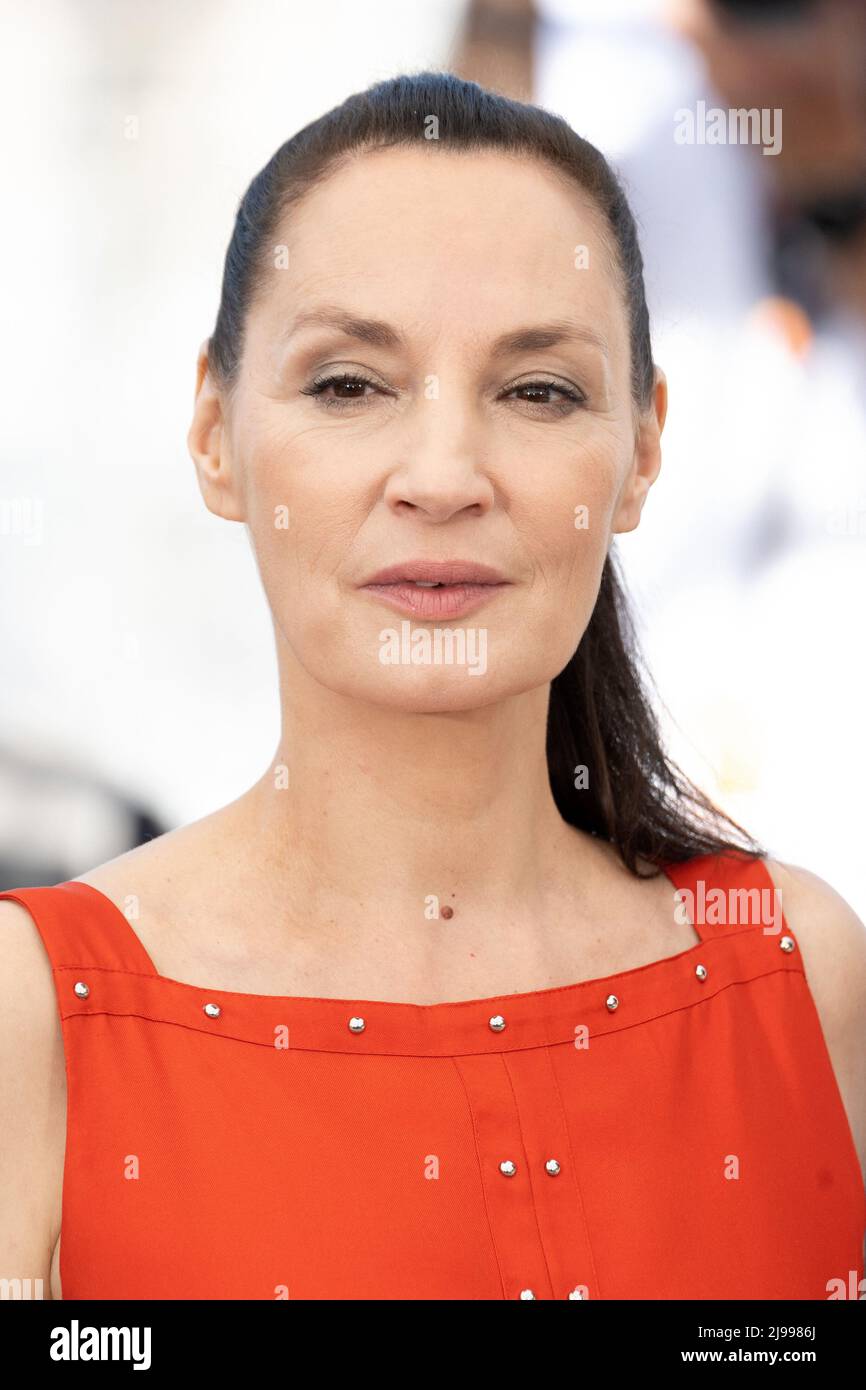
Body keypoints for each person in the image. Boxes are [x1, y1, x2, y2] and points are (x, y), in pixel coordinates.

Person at [1, 71, 863, 1302]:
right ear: (213, 430)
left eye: (537, 391)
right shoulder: (34, 1017)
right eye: (349, 384)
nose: (443, 474)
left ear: (643, 450)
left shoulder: (801, 977)